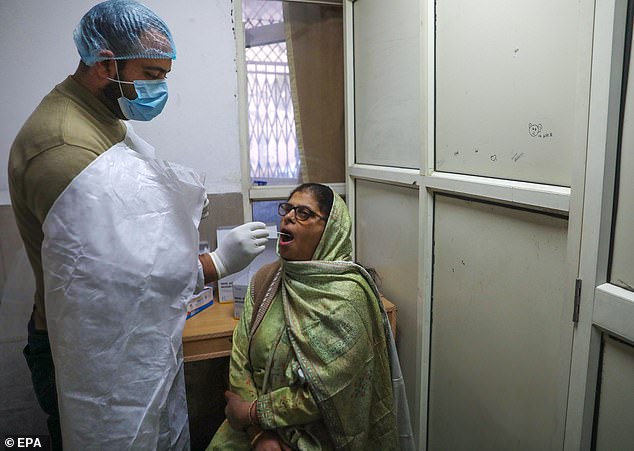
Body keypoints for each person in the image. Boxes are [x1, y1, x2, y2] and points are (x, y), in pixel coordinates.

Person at [7, 1, 268, 449]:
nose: (160, 87)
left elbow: (127, 192)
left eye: (164, 74)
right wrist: (217, 263)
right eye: (151, 74)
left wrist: (176, 208)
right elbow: (119, 282)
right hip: (85, 346)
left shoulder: (98, 114)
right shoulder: (64, 144)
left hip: (102, 337)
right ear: (106, 64)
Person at [207, 183, 415, 451]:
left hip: (320, 435)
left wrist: (253, 413)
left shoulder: (349, 297)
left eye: (304, 213)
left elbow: (330, 393)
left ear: (329, 231)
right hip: (254, 430)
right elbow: (241, 355)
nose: (289, 216)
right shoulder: (266, 279)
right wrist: (258, 433)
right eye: (288, 208)